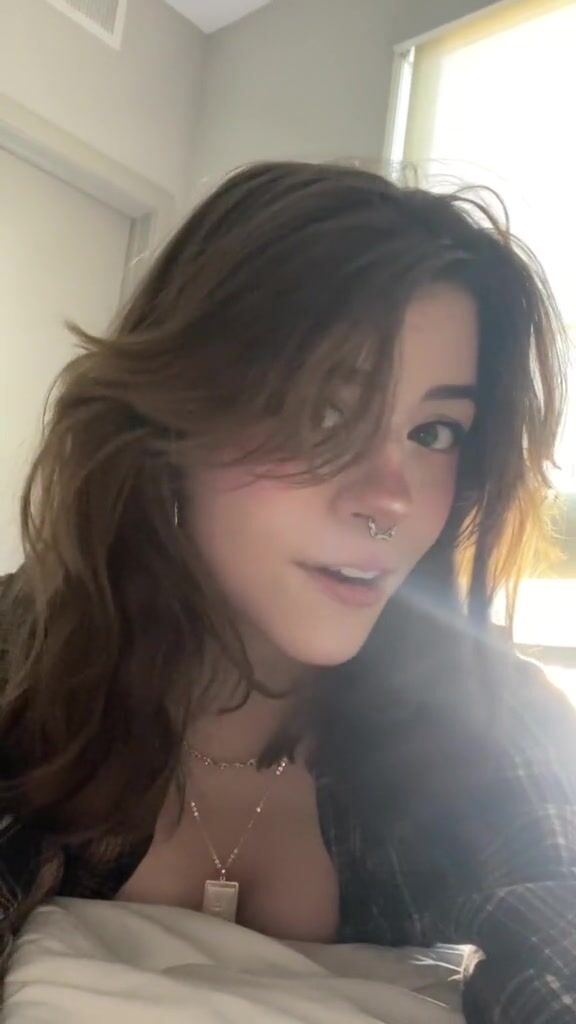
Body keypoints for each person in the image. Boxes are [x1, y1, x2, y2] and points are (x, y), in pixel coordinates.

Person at [0, 160, 574, 1022]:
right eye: (326, 413)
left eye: (433, 431)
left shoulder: (488, 722)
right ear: (171, 422)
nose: (389, 499)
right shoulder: (20, 670)